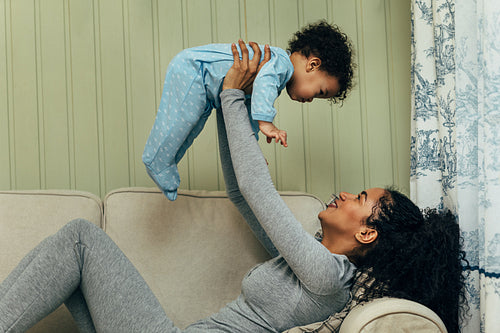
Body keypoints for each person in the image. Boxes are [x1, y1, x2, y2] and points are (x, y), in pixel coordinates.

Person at [0, 42, 467, 333]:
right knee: (77, 247)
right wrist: (233, 99)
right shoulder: (306, 257)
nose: (345, 194)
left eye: (359, 200)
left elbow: (257, 188)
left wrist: (230, 96)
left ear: (367, 233)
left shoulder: (327, 277)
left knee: (83, 240)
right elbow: (244, 194)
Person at [142, 20, 355, 201]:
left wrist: (251, 149)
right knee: (181, 121)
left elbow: (247, 109)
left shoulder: (277, 75)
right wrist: (267, 123)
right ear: (313, 65)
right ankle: (156, 160)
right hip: (193, 69)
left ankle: (166, 164)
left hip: (205, 86)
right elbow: (264, 83)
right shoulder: (279, 63)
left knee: (191, 128)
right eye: (319, 92)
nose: (311, 100)